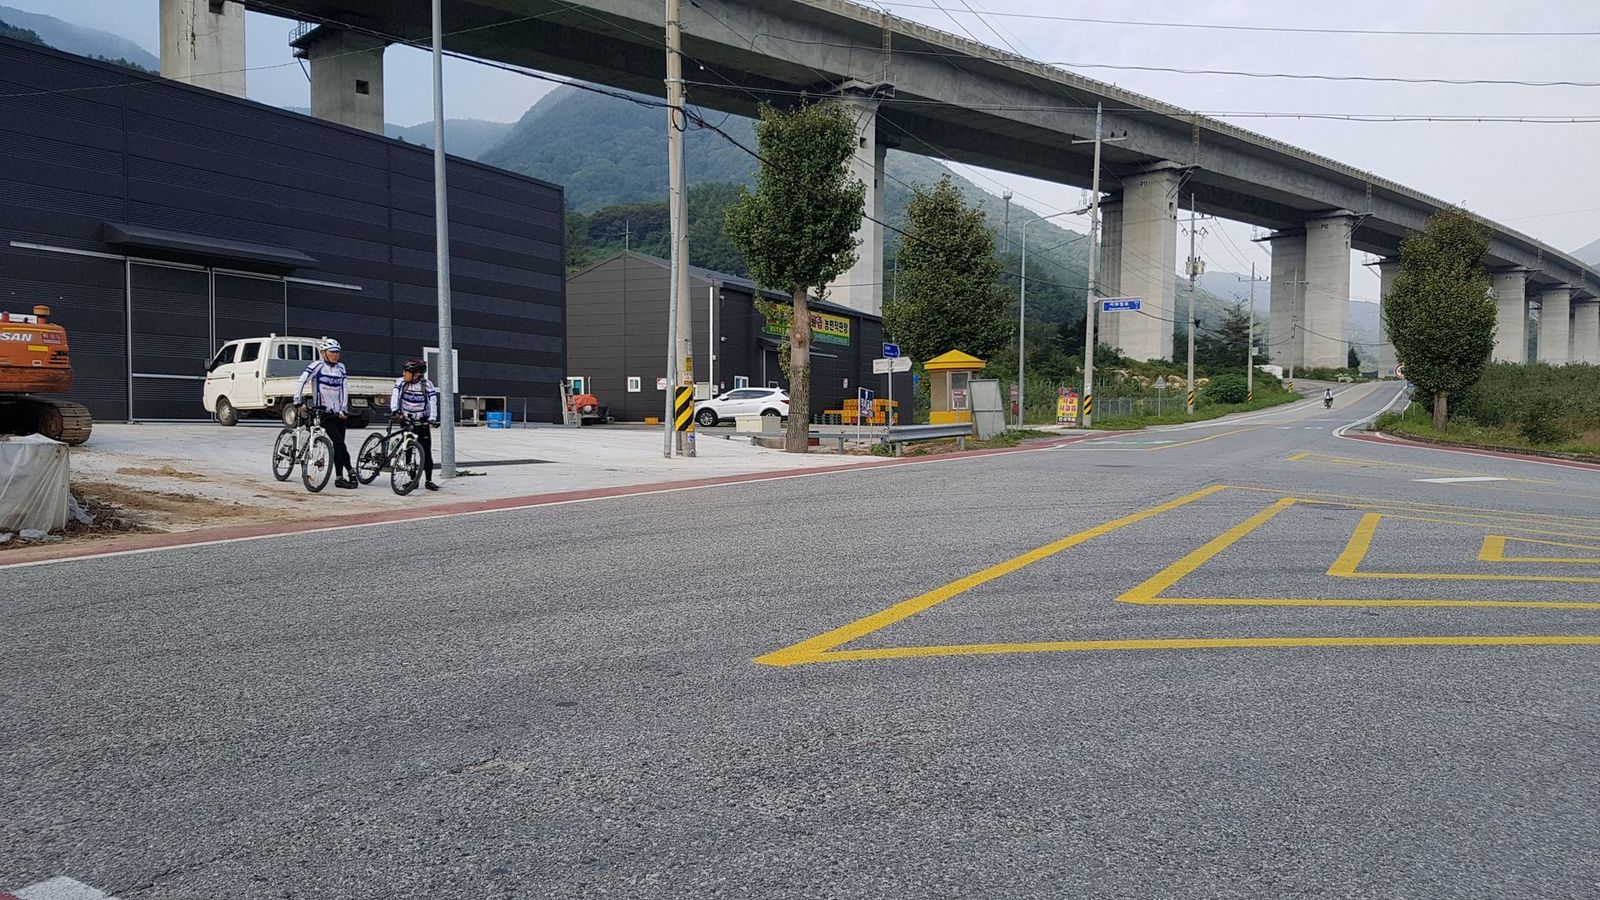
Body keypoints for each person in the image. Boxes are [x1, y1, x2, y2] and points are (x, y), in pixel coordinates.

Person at [295, 338, 357, 489]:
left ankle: (339, 478)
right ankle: (350, 471)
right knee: (339, 443)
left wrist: (343, 409)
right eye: (332, 352)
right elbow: (301, 381)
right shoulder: (317, 366)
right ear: (323, 353)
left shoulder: (341, 367)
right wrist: (298, 400)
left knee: (340, 446)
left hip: (338, 413)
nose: (336, 355)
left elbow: (344, 389)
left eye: (337, 352)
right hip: (323, 412)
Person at [390, 358, 441, 491]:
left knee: (426, 452)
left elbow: (433, 402)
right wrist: (395, 410)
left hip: (422, 421)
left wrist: (432, 419)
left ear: (417, 374)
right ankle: (413, 480)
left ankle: (429, 480)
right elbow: (395, 396)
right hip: (406, 420)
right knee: (408, 450)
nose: (403, 374)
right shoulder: (400, 382)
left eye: (406, 371)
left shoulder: (427, 385)